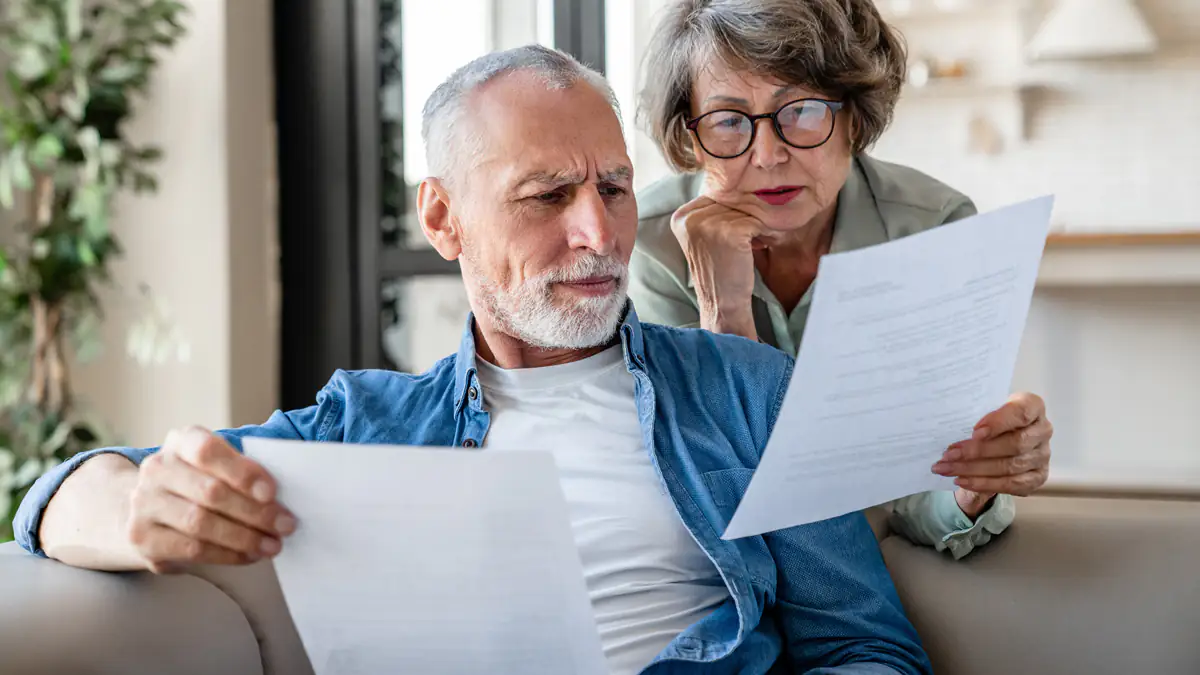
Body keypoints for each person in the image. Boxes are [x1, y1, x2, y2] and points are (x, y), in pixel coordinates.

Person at [15, 46, 931, 675]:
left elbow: (864, 642)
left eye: (615, 187)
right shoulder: (364, 427)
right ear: (442, 218)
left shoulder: (747, 387)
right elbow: (51, 495)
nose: (599, 231)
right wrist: (145, 510)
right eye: (548, 195)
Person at [629, 0, 1053, 559]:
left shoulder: (932, 229)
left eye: (801, 110)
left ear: (854, 117)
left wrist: (972, 484)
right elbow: (710, 491)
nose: (769, 154)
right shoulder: (651, 241)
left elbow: (913, 493)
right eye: (729, 121)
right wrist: (724, 311)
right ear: (690, 133)